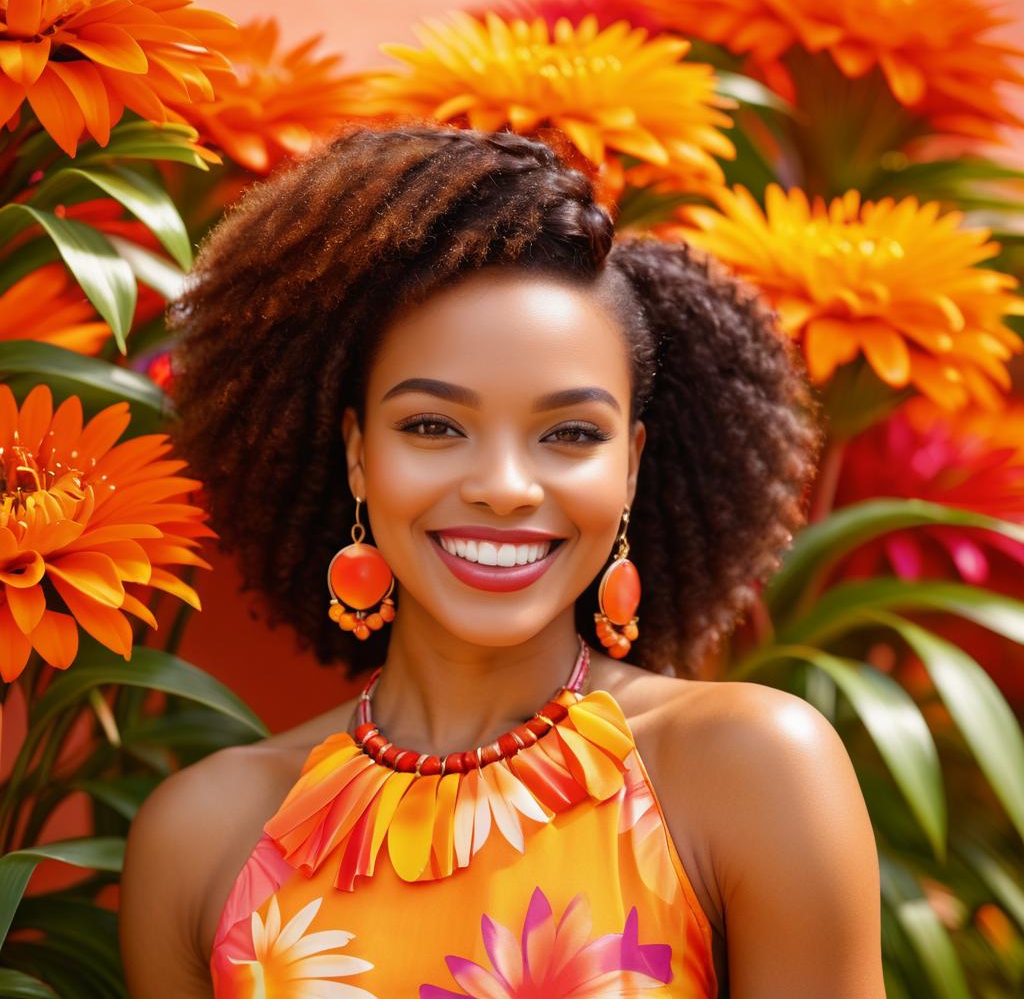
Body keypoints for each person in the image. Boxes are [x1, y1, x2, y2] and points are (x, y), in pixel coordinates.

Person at [119, 122, 885, 998]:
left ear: (630, 464)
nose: (506, 487)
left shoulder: (748, 771)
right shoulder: (202, 840)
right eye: (434, 426)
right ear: (357, 452)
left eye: (569, 433)